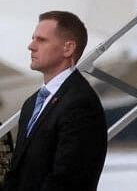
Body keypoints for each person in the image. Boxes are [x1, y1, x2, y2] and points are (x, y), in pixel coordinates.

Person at [2, 11, 107, 191]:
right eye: (33, 38)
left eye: (41, 40)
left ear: (68, 48)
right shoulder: (31, 103)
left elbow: (69, 179)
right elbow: (17, 174)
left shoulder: (81, 104)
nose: (31, 46)